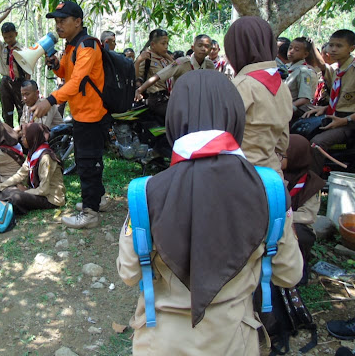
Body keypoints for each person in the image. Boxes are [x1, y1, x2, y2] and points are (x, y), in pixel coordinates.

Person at [117, 70, 303, 355]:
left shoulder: (144, 193)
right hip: (234, 341)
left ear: (174, 118)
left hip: (159, 343)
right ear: (235, 115)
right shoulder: (271, 192)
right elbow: (289, 274)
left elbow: (129, 273)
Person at [30, 1, 110, 229]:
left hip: (92, 115)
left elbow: (77, 82)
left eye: (63, 20)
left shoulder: (87, 46)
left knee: (86, 161)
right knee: (92, 159)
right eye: (56, 21)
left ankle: (90, 213)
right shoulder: (71, 46)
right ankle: (98, 199)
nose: (58, 25)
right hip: (82, 112)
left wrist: (51, 100)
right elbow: (65, 72)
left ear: (78, 21)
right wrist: (55, 64)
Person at [224, 16, 292, 177]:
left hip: (240, 177)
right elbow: (282, 144)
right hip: (272, 178)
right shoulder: (282, 87)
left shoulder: (241, 85)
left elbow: (220, 137)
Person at [303, 29, 355, 176]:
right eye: (331, 45)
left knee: (317, 143)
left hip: (349, 121)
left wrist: (345, 120)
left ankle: (312, 185)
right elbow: (338, 96)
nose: (333, 49)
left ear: (351, 48)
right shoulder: (335, 70)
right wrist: (325, 108)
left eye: (339, 46)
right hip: (335, 116)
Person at [0, 123, 65, 215]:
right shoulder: (33, 153)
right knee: (7, 189)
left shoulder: (45, 158)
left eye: (24, 136)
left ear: (32, 137)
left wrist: (25, 191)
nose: (21, 139)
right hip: (39, 192)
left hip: (51, 198)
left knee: (15, 196)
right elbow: (20, 175)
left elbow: (44, 190)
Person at [283, 135, 324, 285]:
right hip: (277, 219)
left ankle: (299, 273)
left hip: (295, 222)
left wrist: (284, 216)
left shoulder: (311, 183)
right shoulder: (276, 174)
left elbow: (308, 216)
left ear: (296, 157)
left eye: (283, 156)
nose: (278, 159)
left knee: (299, 234)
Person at [135, 33, 214, 106]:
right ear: (193, 47)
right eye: (200, 46)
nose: (203, 49)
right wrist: (139, 90)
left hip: (198, 100)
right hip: (176, 101)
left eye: (207, 46)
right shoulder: (181, 62)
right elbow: (159, 75)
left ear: (211, 49)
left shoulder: (209, 65)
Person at [0, 9, 30, 127]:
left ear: (16, 34)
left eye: (11, 36)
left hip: (19, 83)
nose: (8, 40)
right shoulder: (1, 47)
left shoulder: (22, 50)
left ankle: (23, 135)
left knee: (22, 110)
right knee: (7, 112)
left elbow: (28, 70)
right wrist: (5, 15)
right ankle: (9, 135)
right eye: (5, 37)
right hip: (6, 82)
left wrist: (26, 86)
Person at [132, 29, 173, 119]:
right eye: (163, 44)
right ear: (153, 45)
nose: (166, 47)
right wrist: (138, 62)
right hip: (156, 100)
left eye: (167, 44)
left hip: (167, 98)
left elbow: (175, 69)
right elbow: (135, 77)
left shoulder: (164, 59)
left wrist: (168, 57)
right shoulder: (147, 59)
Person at [286, 36, 318, 120]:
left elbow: (305, 99)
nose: (291, 51)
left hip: (294, 112)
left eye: (296, 50)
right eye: (290, 48)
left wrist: (288, 108)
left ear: (305, 54)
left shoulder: (304, 71)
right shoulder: (286, 68)